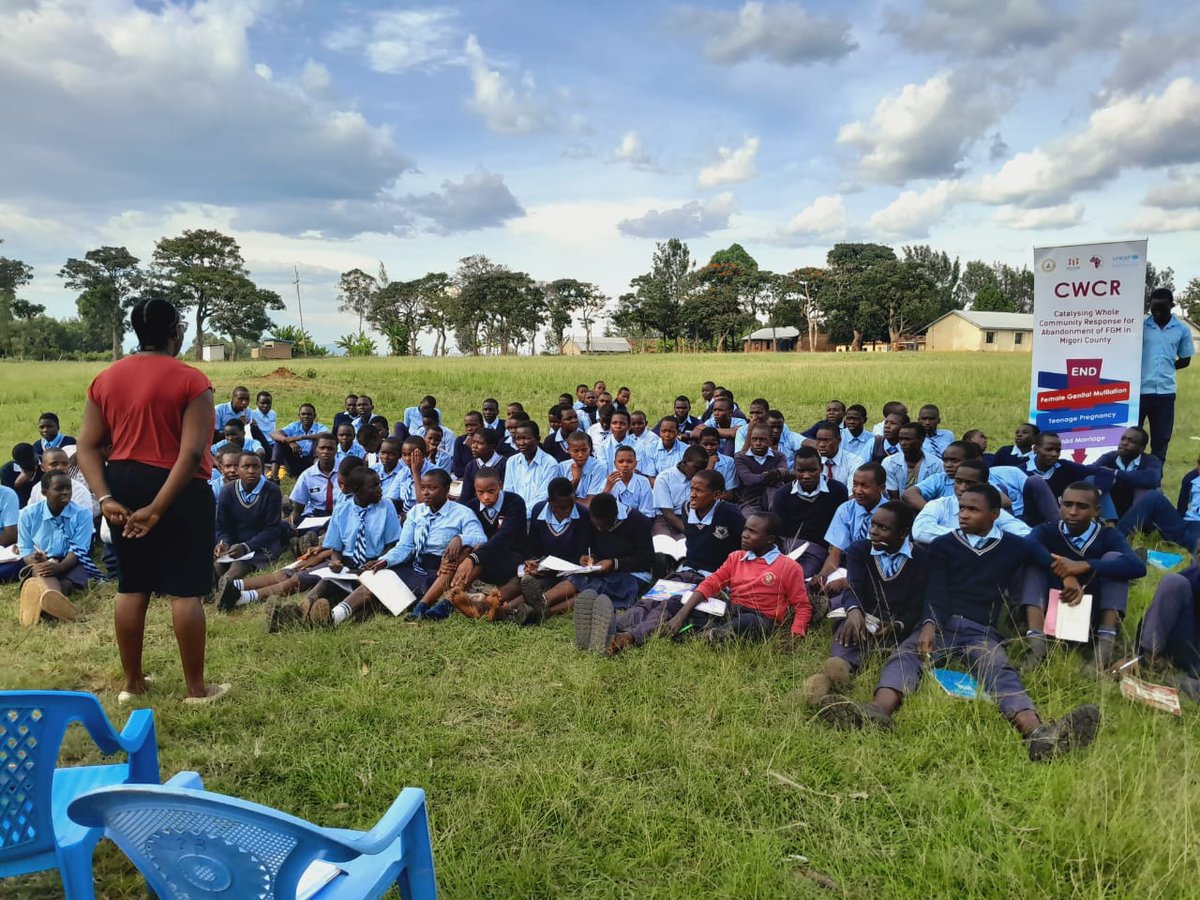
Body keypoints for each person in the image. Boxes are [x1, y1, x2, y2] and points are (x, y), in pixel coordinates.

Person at [817, 484, 1101, 763]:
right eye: (962, 508)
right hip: (941, 624)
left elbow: (1049, 561)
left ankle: (1037, 732)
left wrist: (1068, 577)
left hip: (981, 630)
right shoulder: (944, 546)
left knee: (999, 669)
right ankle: (878, 711)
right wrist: (929, 624)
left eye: (973, 509)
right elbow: (936, 591)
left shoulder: (1015, 546)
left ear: (994, 514)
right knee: (904, 657)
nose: (963, 514)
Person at [77, 296, 228, 703]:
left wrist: (105, 497)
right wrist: (158, 508)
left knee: (132, 583)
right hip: (178, 488)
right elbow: (193, 452)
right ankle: (196, 688)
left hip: (123, 483)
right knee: (185, 590)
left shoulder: (105, 380)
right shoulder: (192, 380)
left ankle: (132, 683)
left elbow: (87, 448)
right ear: (176, 331)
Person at [602, 470, 745, 655]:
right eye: (691, 488)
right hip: (687, 570)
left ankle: (629, 637)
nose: (692, 494)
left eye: (699, 491)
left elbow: (746, 547)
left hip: (711, 578)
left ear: (716, 495)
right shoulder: (687, 508)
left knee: (670, 604)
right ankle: (610, 626)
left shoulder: (730, 515)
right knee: (651, 599)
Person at [801, 501, 928, 706]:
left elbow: (918, 603)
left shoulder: (921, 558)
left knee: (898, 654)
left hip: (896, 624)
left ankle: (845, 682)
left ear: (903, 532)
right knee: (846, 633)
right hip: (863, 616)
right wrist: (854, 611)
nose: (874, 532)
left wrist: (897, 625)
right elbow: (854, 586)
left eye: (883, 528)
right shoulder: (859, 549)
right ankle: (837, 674)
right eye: (873, 525)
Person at [1019, 483, 1145, 673]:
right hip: (1050, 610)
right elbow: (1027, 548)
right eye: (1067, 504)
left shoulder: (1107, 535)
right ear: (1059, 504)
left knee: (1115, 560)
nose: (1073, 512)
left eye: (1082, 506)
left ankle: (1104, 648)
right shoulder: (1047, 530)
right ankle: (1037, 645)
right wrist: (1067, 575)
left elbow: (1137, 566)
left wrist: (1087, 565)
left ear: (1097, 510)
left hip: (1091, 615)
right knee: (1033, 564)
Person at [658, 511, 811, 647]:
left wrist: (795, 635)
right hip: (730, 611)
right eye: (745, 529)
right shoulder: (736, 557)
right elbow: (711, 584)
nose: (744, 534)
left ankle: (703, 637)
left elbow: (802, 606)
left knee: (747, 622)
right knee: (677, 601)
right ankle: (687, 629)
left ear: (769, 539)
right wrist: (681, 615)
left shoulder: (789, 567)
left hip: (760, 619)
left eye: (752, 532)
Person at [16, 471, 101, 625]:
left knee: (68, 582)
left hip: (72, 560)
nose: (65, 493)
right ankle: (55, 604)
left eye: (68, 488)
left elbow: (79, 550)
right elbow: (26, 549)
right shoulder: (27, 514)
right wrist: (36, 560)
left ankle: (42, 603)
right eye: (59, 489)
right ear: (44, 492)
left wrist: (60, 567)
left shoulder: (82, 514)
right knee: (42, 569)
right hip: (42, 561)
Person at [562, 492, 655, 630]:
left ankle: (547, 611)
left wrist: (614, 563)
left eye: (604, 526)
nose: (599, 529)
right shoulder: (593, 517)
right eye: (596, 526)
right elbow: (592, 545)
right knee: (576, 578)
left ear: (615, 516)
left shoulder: (639, 521)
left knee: (596, 587)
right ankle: (544, 600)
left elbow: (646, 560)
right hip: (601, 568)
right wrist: (590, 557)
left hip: (633, 573)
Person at [446, 467, 528, 619]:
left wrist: (474, 557)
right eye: (480, 492)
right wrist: (460, 539)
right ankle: (455, 595)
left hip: (512, 556)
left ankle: (468, 602)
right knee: (469, 549)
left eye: (491, 491)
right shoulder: (471, 507)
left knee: (483, 556)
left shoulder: (514, 502)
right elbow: (470, 534)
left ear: (500, 485)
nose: (486, 497)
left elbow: (505, 537)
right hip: (485, 560)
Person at [213, 453, 287, 601]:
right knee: (217, 565)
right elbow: (221, 527)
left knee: (240, 564)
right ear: (239, 469)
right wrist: (224, 543)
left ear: (262, 469)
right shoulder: (227, 491)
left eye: (256, 467)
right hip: (234, 544)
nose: (251, 471)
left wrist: (246, 547)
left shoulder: (271, 491)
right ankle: (211, 589)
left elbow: (272, 530)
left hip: (262, 545)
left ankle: (228, 585)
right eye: (246, 466)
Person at [769, 447, 848, 578]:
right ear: (794, 469)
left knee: (801, 574)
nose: (806, 476)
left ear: (821, 468)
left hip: (821, 548)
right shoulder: (783, 494)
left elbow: (841, 527)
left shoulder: (837, 490)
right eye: (801, 471)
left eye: (812, 470)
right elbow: (778, 531)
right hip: (790, 547)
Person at [813, 463, 887, 602]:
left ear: (881, 488)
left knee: (844, 598)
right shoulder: (846, 509)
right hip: (848, 564)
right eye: (855, 484)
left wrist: (845, 581)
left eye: (864, 486)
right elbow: (835, 554)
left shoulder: (889, 515)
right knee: (816, 588)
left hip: (876, 569)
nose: (857, 491)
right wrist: (822, 576)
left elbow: (879, 563)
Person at [1131, 553, 1200, 700]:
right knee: (1173, 583)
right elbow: (1158, 613)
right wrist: (1144, 652)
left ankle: (1184, 685)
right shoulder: (1192, 576)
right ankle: (1148, 663)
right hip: (1188, 648)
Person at [911, 460, 1030, 544]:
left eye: (970, 483)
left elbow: (1024, 533)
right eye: (958, 481)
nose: (962, 488)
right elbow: (920, 530)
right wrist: (975, 537)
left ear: (985, 485)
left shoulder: (990, 511)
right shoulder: (939, 505)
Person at [1140, 287, 1192, 461]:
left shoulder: (1182, 330)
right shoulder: (1141, 326)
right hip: (1139, 391)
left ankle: (1155, 480)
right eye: (1154, 309)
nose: (1157, 313)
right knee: (1133, 438)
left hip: (1165, 393)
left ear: (1172, 306)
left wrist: (1166, 368)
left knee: (1161, 440)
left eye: (1162, 309)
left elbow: (1185, 360)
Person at [1116, 452, 1200, 551]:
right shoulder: (1191, 478)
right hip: (1187, 524)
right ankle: (1115, 537)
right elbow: (1182, 508)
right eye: (1199, 463)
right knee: (1154, 497)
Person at [1094, 426, 1162, 520]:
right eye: (1123, 439)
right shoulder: (1109, 457)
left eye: (1131, 441)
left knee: (1147, 490)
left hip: (1137, 511)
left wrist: (1116, 473)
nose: (1124, 443)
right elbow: (1092, 470)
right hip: (1114, 507)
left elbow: (1153, 479)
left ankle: (1137, 527)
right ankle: (1109, 522)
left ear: (1142, 448)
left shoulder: (1151, 461)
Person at [652, 445, 709, 538]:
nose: (700, 472)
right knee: (664, 544)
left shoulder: (701, 479)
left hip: (693, 519)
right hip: (666, 520)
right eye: (697, 468)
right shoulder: (664, 478)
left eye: (703, 469)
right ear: (684, 462)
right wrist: (691, 533)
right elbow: (668, 515)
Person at [506, 422, 559, 519]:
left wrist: (519, 513)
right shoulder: (512, 461)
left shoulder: (550, 464)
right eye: (518, 439)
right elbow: (508, 491)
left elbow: (543, 497)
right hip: (514, 516)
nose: (521, 443)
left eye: (526, 438)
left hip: (538, 517)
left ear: (538, 439)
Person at [734, 422, 789, 514]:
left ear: (771, 441)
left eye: (762, 440)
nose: (758, 443)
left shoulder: (779, 456)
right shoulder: (741, 458)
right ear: (750, 440)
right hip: (750, 501)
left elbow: (785, 473)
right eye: (754, 439)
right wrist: (773, 474)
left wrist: (778, 474)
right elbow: (748, 480)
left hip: (773, 498)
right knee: (752, 522)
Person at [28, 446, 99, 518]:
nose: (60, 468)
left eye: (65, 464)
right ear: (42, 467)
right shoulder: (37, 489)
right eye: (54, 464)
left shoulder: (79, 491)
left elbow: (82, 522)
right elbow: (31, 516)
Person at [288, 433, 339, 527]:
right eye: (322, 448)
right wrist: (292, 524)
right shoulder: (307, 475)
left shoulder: (345, 472)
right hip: (316, 516)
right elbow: (299, 507)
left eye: (330, 448)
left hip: (339, 515)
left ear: (336, 450)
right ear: (316, 450)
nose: (326, 451)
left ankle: (320, 537)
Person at [883, 422, 941, 498]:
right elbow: (893, 497)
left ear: (922, 439)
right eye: (900, 439)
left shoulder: (936, 464)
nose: (903, 443)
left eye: (908, 439)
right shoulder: (889, 462)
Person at [270, 403, 327, 478]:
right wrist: (289, 441)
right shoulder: (294, 426)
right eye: (303, 414)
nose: (306, 416)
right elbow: (273, 434)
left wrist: (301, 437)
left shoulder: (320, 427)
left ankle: (317, 474)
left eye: (309, 414)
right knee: (279, 441)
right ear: (299, 416)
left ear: (314, 416)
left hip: (311, 463)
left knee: (319, 440)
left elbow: (325, 435)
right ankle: (274, 477)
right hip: (295, 463)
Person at [458, 428, 506, 505]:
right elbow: (466, 495)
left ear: (491, 447)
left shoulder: (504, 464)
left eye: (480, 443)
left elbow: (504, 493)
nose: (474, 446)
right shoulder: (471, 465)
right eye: (473, 442)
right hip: (475, 506)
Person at [605, 445, 655, 517]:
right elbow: (599, 507)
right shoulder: (608, 482)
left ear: (635, 464)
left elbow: (647, 512)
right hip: (614, 523)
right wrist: (607, 488)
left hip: (639, 521)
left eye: (629, 461)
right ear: (615, 464)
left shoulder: (643, 482)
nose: (625, 465)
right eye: (621, 461)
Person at [558, 430, 605, 506]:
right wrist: (576, 480)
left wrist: (568, 500)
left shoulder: (599, 468)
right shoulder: (562, 467)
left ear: (590, 449)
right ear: (568, 450)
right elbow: (559, 500)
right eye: (575, 451)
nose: (580, 455)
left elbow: (590, 504)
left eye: (584, 450)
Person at [1, 443, 41, 507]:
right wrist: (17, 484)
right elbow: (7, 498)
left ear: (36, 454)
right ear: (16, 462)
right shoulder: (7, 471)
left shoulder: (47, 463)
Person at [452, 411, 484, 478]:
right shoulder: (460, 441)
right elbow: (457, 470)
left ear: (481, 425)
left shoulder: (487, 440)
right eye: (467, 425)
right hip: (464, 479)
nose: (469, 429)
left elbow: (487, 467)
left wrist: (473, 447)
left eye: (473, 425)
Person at [247, 390, 276, 459]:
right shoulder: (251, 414)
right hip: (261, 443)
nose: (265, 406)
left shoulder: (273, 413)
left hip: (272, 443)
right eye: (262, 403)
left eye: (268, 403)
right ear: (257, 403)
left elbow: (273, 430)